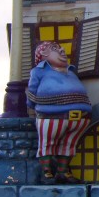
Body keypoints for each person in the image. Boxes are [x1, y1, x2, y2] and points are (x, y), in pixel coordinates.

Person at [26, 41, 92, 184]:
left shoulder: (70, 71)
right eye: (55, 49)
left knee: (69, 144)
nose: (62, 50)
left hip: (79, 117)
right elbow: (32, 91)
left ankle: (63, 172)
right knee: (47, 143)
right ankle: (46, 172)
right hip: (51, 115)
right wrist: (33, 106)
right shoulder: (39, 71)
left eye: (60, 47)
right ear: (43, 54)